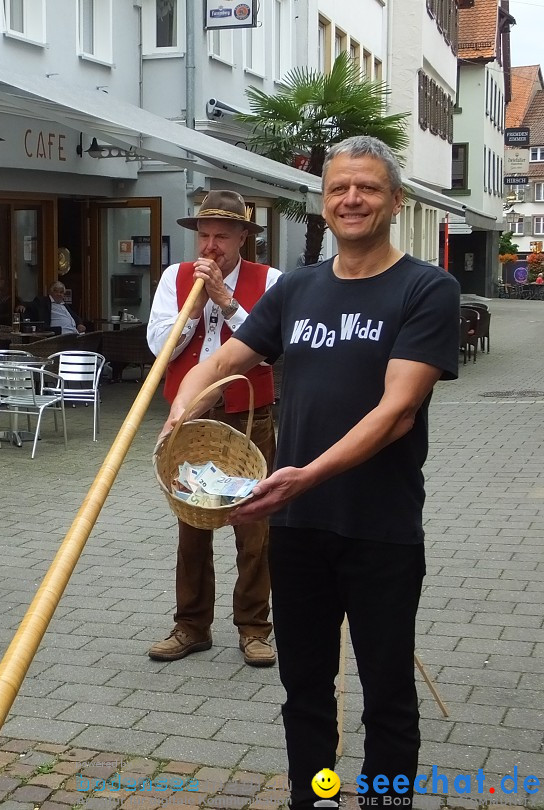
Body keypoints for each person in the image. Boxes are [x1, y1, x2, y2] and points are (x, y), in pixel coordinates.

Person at [163, 136, 460, 809]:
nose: (351, 199)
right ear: (323, 205)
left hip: (378, 527)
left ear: (394, 202)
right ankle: (316, 796)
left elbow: (397, 412)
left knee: (385, 692)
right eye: (338, 190)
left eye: (367, 188)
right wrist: (186, 400)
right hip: (294, 527)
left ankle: (384, 801)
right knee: (305, 691)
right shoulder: (298, 289)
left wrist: (305, 475)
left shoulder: (426, 288)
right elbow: (225, 359)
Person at [146, 191, 281, 668]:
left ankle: (253, 627)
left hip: (249, 415)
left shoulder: (270, 281)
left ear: (244, 237)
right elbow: (159, 344)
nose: (210, 245)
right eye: (204, 235)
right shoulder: (175, 277)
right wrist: (196, 300)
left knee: (254, 525)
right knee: (191, 523)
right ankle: (191, 625)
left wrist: (226, 302)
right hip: (189, 417)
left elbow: (269, 351)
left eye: (222, 235)